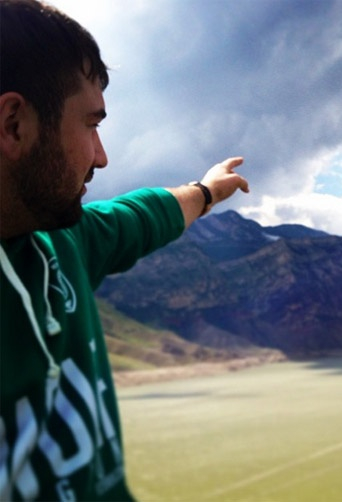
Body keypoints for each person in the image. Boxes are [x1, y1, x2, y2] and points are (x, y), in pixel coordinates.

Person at [0, 0, 249, 499]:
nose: (102, 157)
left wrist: (204, 193)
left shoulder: (63, 239)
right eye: (91, 125)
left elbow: (141, 218)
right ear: (14, 124)